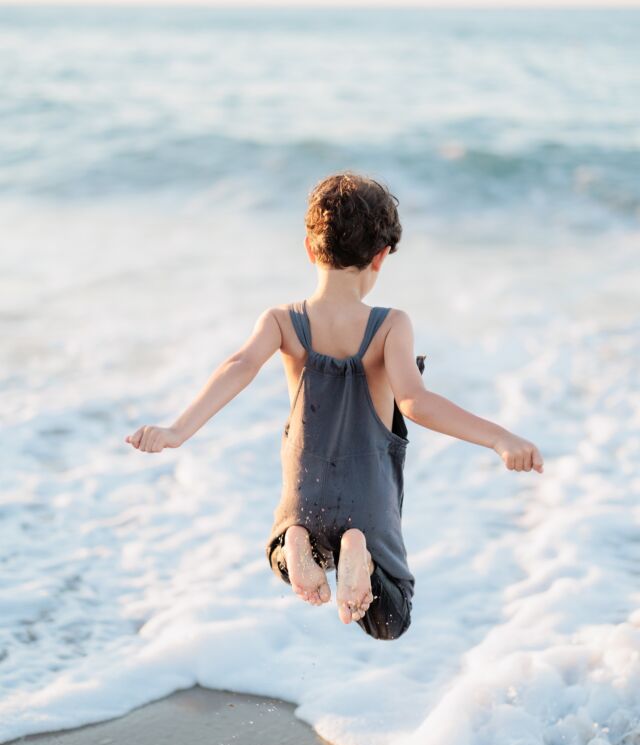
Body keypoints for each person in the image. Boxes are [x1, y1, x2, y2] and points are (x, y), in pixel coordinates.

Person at [125, 172, 544, 642]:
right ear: (380, 257)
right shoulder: (390, 326)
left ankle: (297, 543)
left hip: (304, 496)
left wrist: (177, 430)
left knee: (280, 552)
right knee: (391, 617)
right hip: (369, 502)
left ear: (309, 248)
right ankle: (357, 552)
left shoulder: (283, 321)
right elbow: (416, 401)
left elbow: (239, 365)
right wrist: (499, 437)